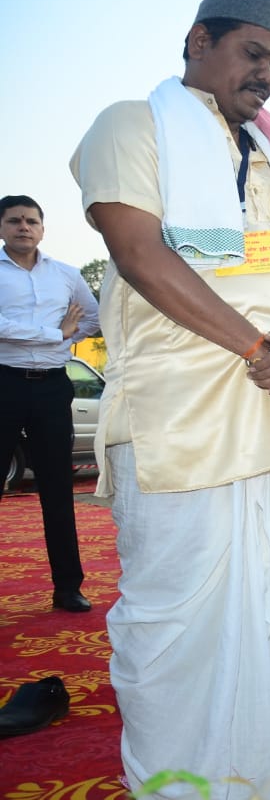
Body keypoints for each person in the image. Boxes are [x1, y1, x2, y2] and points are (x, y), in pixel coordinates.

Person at [71, 0, 270, 797]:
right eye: (254, 54)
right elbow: (138, 252)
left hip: (266, 417)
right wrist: (259, 345)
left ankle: (255, 783)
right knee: (171, 627)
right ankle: (174, 788)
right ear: (197, 40)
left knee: (259, 621)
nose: (267, 77)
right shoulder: (133, 124)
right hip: (178, 423)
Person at [0, 196, 100, 614]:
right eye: (15, 221)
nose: (24, 227)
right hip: (4, 381)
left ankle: (67, 588)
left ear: (43, 228)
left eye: (32, 221)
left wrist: (66, 337)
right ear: (2, 227)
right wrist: (54, 334)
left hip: (53, 388)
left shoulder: (67, 275)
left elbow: (91, 320)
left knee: (58, 490)